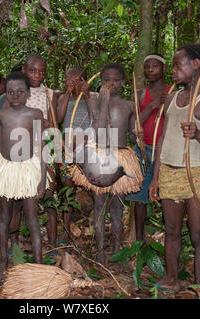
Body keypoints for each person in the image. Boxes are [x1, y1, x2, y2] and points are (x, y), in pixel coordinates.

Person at [149, 44, 200, 290]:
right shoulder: (172, 98)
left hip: (195, 173)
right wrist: (155, 178)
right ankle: (172, 280)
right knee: (171, 231)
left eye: (177, 65)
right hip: (169, 172)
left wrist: (198, 135)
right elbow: (162, 138)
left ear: (195, 64)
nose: (172, 71)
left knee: (198, 235)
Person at [70, 63, 143, 265]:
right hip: (100, 157)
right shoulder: (93, 102)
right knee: (100, 207)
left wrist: (138, 137)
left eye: (116, 80)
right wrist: (104, 100)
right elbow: (98, 128)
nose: (112, 84)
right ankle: (101, 252)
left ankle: (117, 252)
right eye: (106, 80)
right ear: (101, 82)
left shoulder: (129, 105)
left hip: (120, 158)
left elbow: (132, 135)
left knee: (117, 210)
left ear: (123, 82)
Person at [0, 71, 48, 272]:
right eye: (10, 91)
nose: (15, 95)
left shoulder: (36, 114)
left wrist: (42, 179)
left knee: (32, 218)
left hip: (28, 169)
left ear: (28, 93)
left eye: (20, 91)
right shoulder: (1, 115)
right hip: (6, 169)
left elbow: (41, 147)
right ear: (5, 93)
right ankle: (3, 258)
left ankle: (38, 262)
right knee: (3, 216)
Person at [7, 54, 59, 251]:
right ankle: (14, 245)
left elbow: (53, 123)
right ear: (23, 70)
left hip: (45, 148)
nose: (37, 75)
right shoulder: (15, 92)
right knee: (18, 198)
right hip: (21, 148)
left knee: (47, 195)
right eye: (32, 70)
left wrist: (47, 125)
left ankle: (52, 245)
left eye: (42, 71)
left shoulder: (49, 94)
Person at [126, 53, 170, 240]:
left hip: (166, 152)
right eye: (147, 67)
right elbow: (134, 123)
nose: (150, 70)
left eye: (155, 66)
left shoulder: (172, 92)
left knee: (167, 196)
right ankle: (139, 241)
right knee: (140, 197)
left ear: (164, 68)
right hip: (143, 149)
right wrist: (152, 106)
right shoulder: (141, 94)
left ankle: (170, 237)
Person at [55, 66, 93, 244]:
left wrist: (86, 95)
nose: (67, 81)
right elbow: (59, 119)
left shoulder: (92, 98)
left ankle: (94, 227)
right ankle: (66, 229)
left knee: (94, 187)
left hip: (88, 150)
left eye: (72, 79)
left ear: (83, 80)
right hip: (68, 150)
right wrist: (68, 93)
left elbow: (97, 119)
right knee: (67, 187)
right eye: (66, 78)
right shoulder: (64, 98)